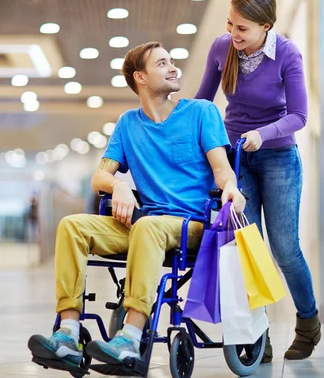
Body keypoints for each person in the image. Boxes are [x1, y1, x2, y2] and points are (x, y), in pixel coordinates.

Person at [27, 41, 246, 368]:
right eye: (162, 63)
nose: (173, 67)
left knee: (147, 226)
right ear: (140, 78)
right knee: (72, 225)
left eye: (172, 61)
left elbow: (222, 170)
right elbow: (99, 177)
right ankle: (68, 334)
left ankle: (130, 338)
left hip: (192, 226)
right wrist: (118, 186)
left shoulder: (201, 113)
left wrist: (232, 189)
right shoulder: (129, 124)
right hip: (146, 226)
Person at [195, 0, 320, 361]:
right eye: (231, 24)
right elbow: (203, 102)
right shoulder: (221, 48)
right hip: (236, 160)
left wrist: (261, 135)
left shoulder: (287, 54)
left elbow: (299, 116)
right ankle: (258, 333)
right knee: (248, 249)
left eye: (243, 28)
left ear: (266, 26)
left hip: (278, 156)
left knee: (284, 249)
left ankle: (308, 322)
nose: (234, 33)